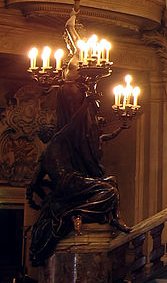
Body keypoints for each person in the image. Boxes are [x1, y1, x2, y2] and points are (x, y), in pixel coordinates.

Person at [27, 61, 129, 267]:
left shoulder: (53, 148)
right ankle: (77, 213)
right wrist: (86, 104)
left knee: (112, 182)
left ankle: (115, 218)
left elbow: (35, 180)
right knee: (108, 191)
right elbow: (72, 127)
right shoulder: (57, 142)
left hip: (75, 181)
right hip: (70, 183)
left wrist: (36, 195)